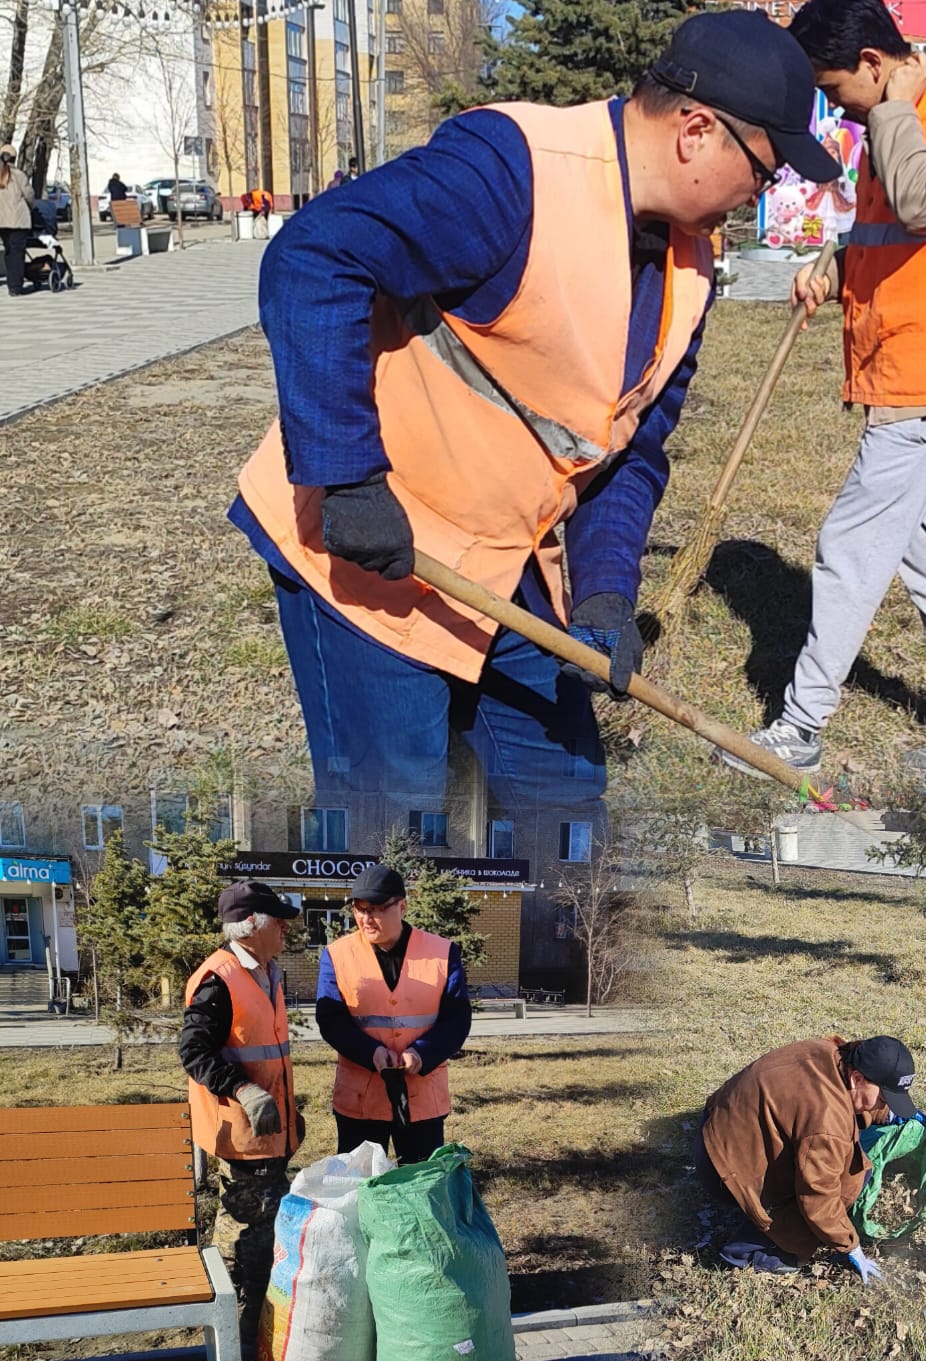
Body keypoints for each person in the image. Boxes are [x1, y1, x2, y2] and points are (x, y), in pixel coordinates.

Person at [229, 9, 838, 816]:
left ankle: (541, 941)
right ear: (697, 131)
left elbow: (630, 446)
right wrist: (345, 476)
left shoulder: (691, 261)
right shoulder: (512, 169)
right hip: (376, 549)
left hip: (505, 565)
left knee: (562, 800)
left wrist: (603, 597)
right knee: (396, 820)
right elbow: (314, 257)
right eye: (764, 171)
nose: (763, 193)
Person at [726, 0, 926, 778]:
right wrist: (833, 263)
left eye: (836, 90)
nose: (835, 109)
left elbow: (925, 201)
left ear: (871, 61)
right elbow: (890, 228)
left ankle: (800, 726)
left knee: (849, 545)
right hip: (905, 363)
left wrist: (893, 108)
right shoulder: (890, 120)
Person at [179, 882, 305, 1349]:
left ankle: (259, 1334)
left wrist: (288, 1111)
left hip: (271, 1130)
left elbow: (267, 1050)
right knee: (250, 1239)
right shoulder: (219, 978)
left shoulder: (265, 972)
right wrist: (245, 1089)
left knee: (267, 1233)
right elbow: (193, 1051)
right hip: (244, 1137)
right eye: (278, 920)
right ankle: (242, 1345)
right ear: (251, 926)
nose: (287, 928)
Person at [695, 1034, 920, 1279]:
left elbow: (834, 1101)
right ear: (857, 1078)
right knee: (850, 1177)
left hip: (715, 1128)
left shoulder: (830, 1053)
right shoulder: (827, 1122)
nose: (883, 1105)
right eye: (884, 1099)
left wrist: (884, 1114)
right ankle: (748, 1250)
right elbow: (818, 1195)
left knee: (849, 1165)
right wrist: (850, 1245)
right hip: (721, 1166)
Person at [316, 864, 472, 1164]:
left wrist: (423, 1052)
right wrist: (369, 1051)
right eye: (359, 909)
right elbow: (330, 1018)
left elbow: (457, 1019)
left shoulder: (442, 952)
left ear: (402, 906)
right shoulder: (336, 955)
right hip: (361, 1097)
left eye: (375, 909)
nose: (365, 918)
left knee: (418, 1188)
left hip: (421, 1098)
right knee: (357, 1189)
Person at [0, 144, 35, 298]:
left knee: (8, 252)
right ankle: (15, 287)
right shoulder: (19, 175)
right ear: (14, 158)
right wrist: (32, 208)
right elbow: (29, 195)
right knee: (17, 252)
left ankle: (11, 284)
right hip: (18, 220)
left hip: (2, 221)